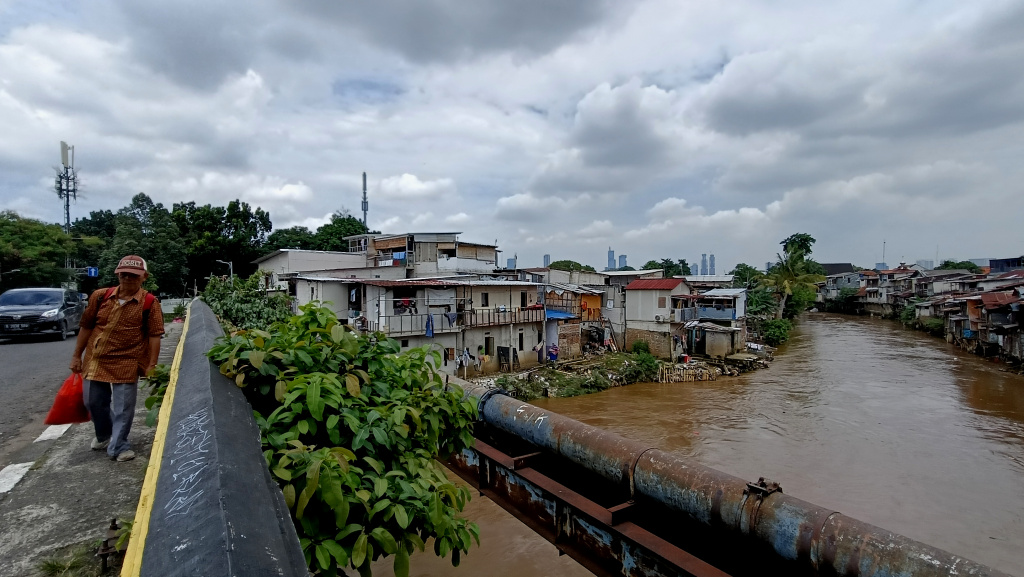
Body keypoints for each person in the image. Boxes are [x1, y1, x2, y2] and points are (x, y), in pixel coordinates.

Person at [70, 255, 164, 462]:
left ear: (144, 277)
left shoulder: (149, 302)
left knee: (124, 408)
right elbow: (86, 327)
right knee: (92, 401)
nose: (128, 279)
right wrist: (77, 355)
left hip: (127, 361)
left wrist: (151, 365)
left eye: (133, 275)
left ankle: (119, 446)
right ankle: (105, 435)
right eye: (124, 275)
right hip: (96, 359)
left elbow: (154, 335)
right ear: (118, 275)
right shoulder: (100, 296)